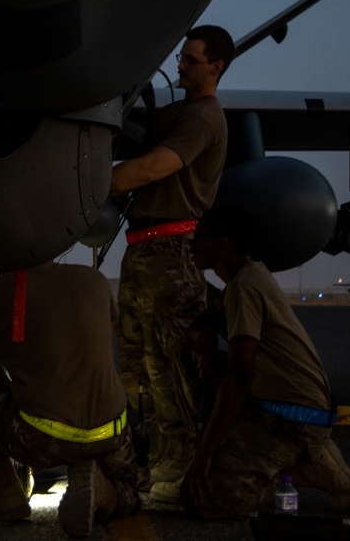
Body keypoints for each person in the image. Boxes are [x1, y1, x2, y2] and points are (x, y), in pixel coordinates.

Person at [152, 205, 350, 518]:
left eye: (200, 237)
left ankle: (312, 470)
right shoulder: (248, 276)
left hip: (294, 422)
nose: (192, 244)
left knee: (205, 499)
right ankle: (228, 455)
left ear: (224, 243)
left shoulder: (244, 287)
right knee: (189, 356)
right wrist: (205, 335)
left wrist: (204, 457)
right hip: (274, 407)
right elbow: (204, 322)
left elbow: (239, 376)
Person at [109, 24, 234, 488]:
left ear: (216, 68)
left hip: (170, 252)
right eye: (180, 56)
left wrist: (85, 181)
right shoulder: (180, 112)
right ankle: (147, 454)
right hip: (143, 251)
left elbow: (150, 169)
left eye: (191, 60)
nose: (179, 65)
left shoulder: (203, 119)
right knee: (135, 361)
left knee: (170, 364)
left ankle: (179, 459)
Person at [0, 263, 148, 538]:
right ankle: (101, 489)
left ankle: (5, 493)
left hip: (39, 439)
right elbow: (111, 324)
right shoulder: (94, 278)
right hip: (111, 433)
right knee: (132, 495)